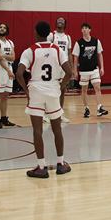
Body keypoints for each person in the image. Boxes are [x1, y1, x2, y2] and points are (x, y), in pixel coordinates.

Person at [16, 21, 72, 178]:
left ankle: (41, 167)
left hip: (36, 90)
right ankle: (61, 163)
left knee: (37, 130)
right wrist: (60, 87)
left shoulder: (29, 51)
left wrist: (26, 90)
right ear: (49, 34)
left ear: (35, 33)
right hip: (53, 89)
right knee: (57, 129)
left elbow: (19, 73)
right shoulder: (57, 50)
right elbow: (69, 72)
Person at [72, 23, 108, 118]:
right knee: (84, 89)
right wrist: (75, 71)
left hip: (94, 69)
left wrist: (102, 67)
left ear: (89, 30)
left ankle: (99, 108)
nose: (84, 30)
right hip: (83, 70)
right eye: (82, 28)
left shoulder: (96, 41)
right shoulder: (78, 43)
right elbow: (75, 58)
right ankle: (86, 108)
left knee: (97, 87)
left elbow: (100, 54)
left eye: (86, 28)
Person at [44, 16, 72, 124]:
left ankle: (59, 113)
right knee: (50, 89)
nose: (60, 22)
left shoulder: (68, 37)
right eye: (58, 21)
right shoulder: (52, 35)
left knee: (62, 89)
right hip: (53, 64)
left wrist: (71, 68)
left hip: (63, 65)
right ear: (56, 23)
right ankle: (46, 113)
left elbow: (69, 53)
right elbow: (46, 48)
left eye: (62, 21)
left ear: (65, 24)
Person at [0, 23, 16, 129]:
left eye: (4, 27)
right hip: (0, 69)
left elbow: (13, 57)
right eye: (0, 27)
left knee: (5, 95)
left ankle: (4, 118)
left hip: (9, 68)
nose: (2, 29)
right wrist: (8, 70)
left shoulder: (10, 42)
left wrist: (5, 55)